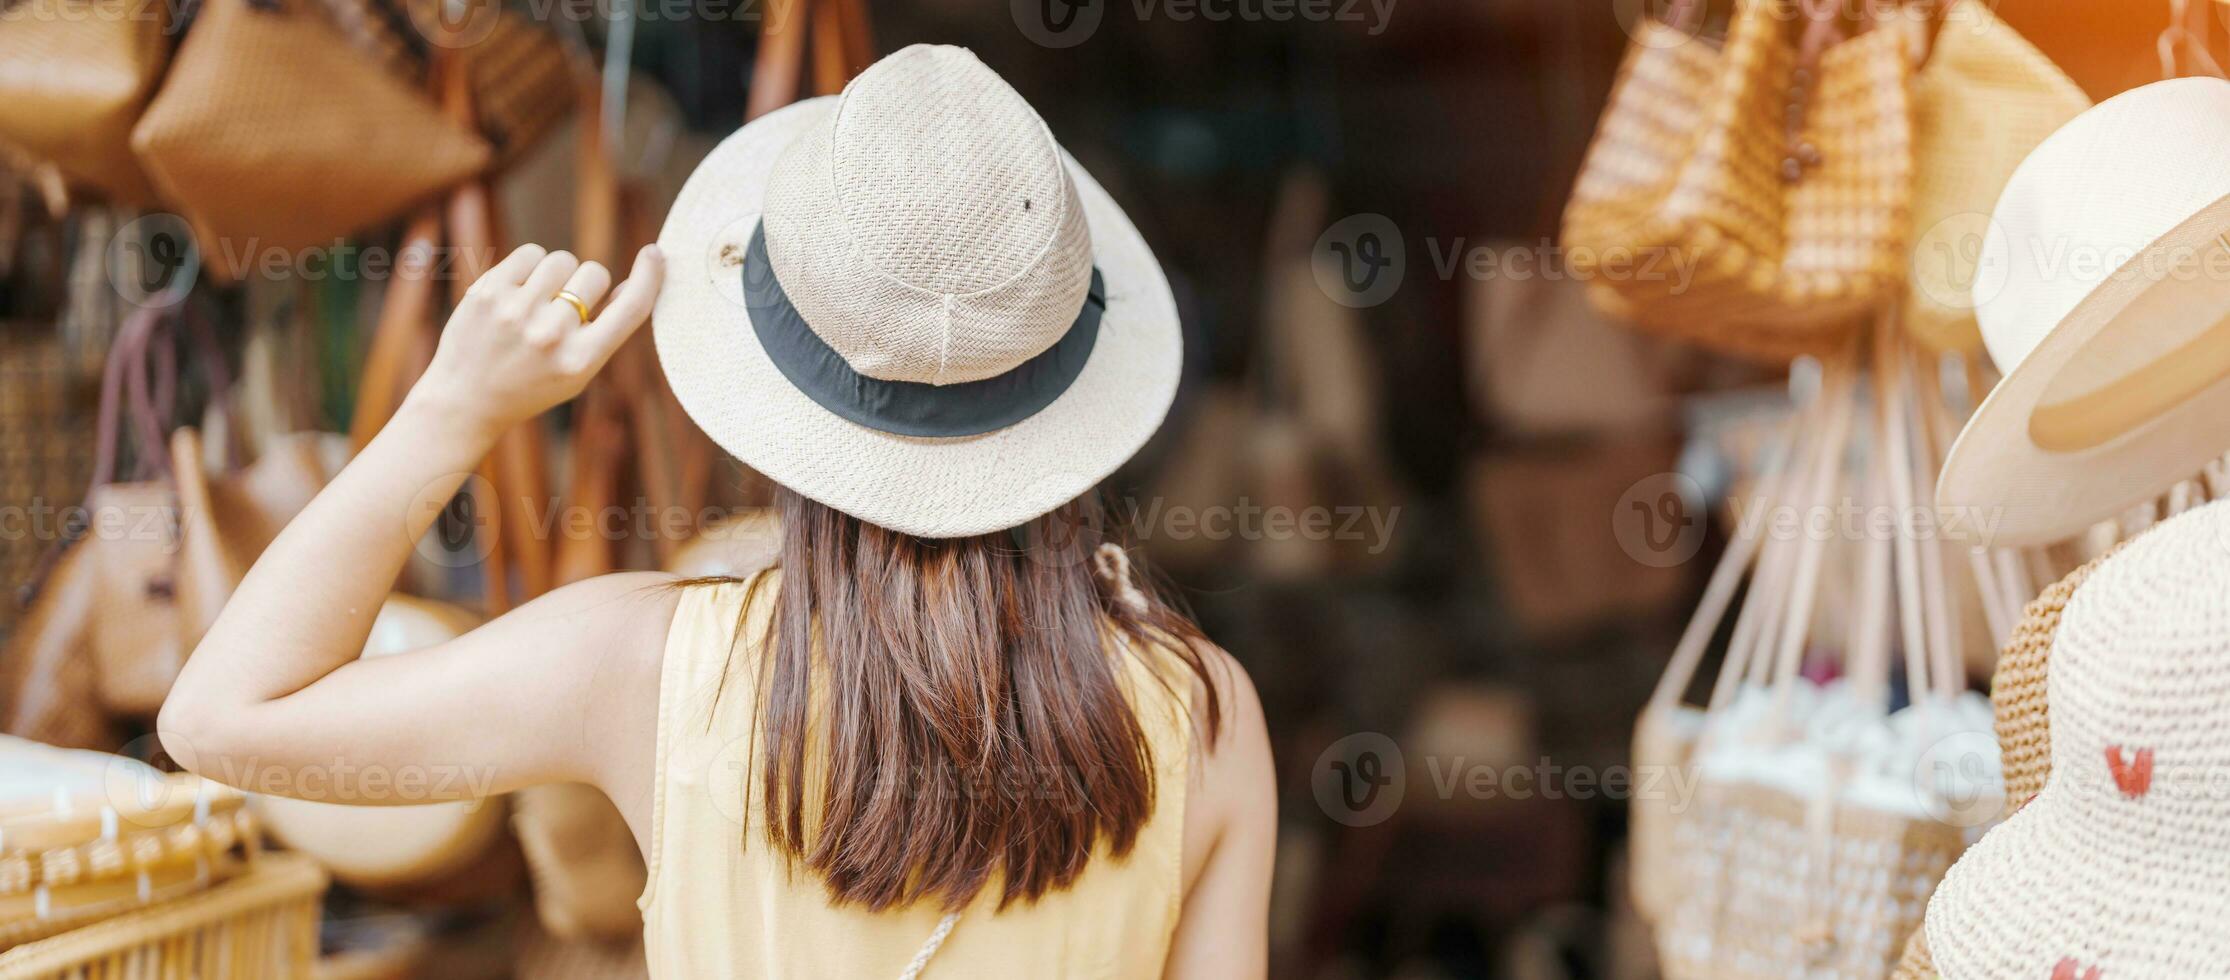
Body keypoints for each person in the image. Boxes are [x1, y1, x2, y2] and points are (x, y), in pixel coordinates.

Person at [158, 44, 1274, 979]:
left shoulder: (641, 665)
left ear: (784, 385)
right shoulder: (1206, 718)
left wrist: (453, 410)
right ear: (1066, 397)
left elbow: (220, 716)